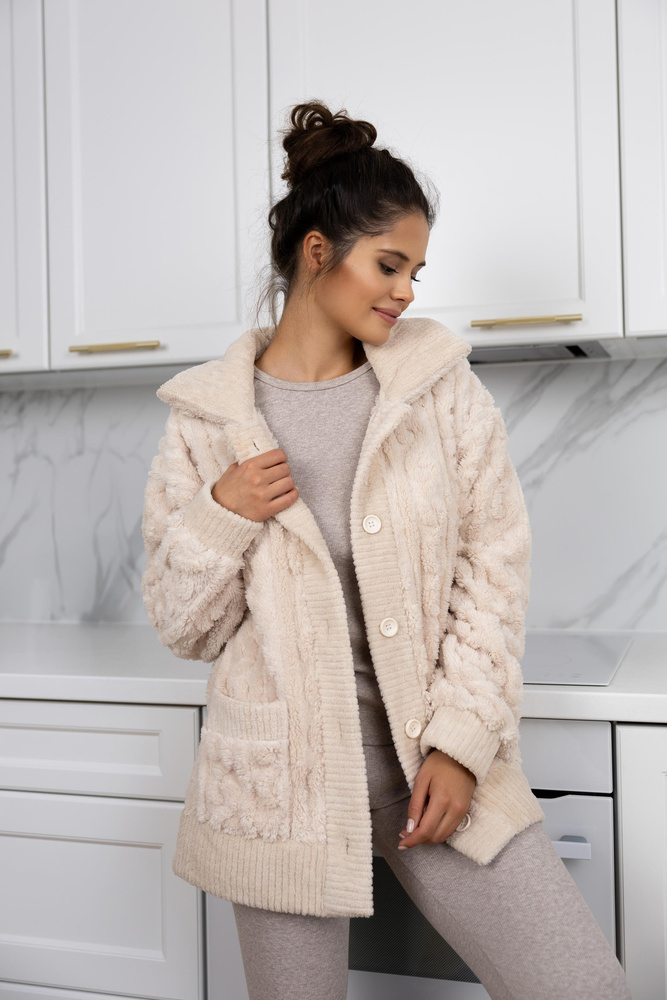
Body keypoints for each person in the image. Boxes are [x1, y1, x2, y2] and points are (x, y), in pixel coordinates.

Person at [141, 101, 632, 999]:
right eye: (389, 264)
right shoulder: (206, 421)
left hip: (431, 766)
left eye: (415, 271)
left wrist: (462, 742)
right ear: (317, 252)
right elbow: (185, 629)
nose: (406, 291)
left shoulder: (437, 387)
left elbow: (492, 571)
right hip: (280, 785)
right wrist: (220, 513)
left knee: (582, 987)